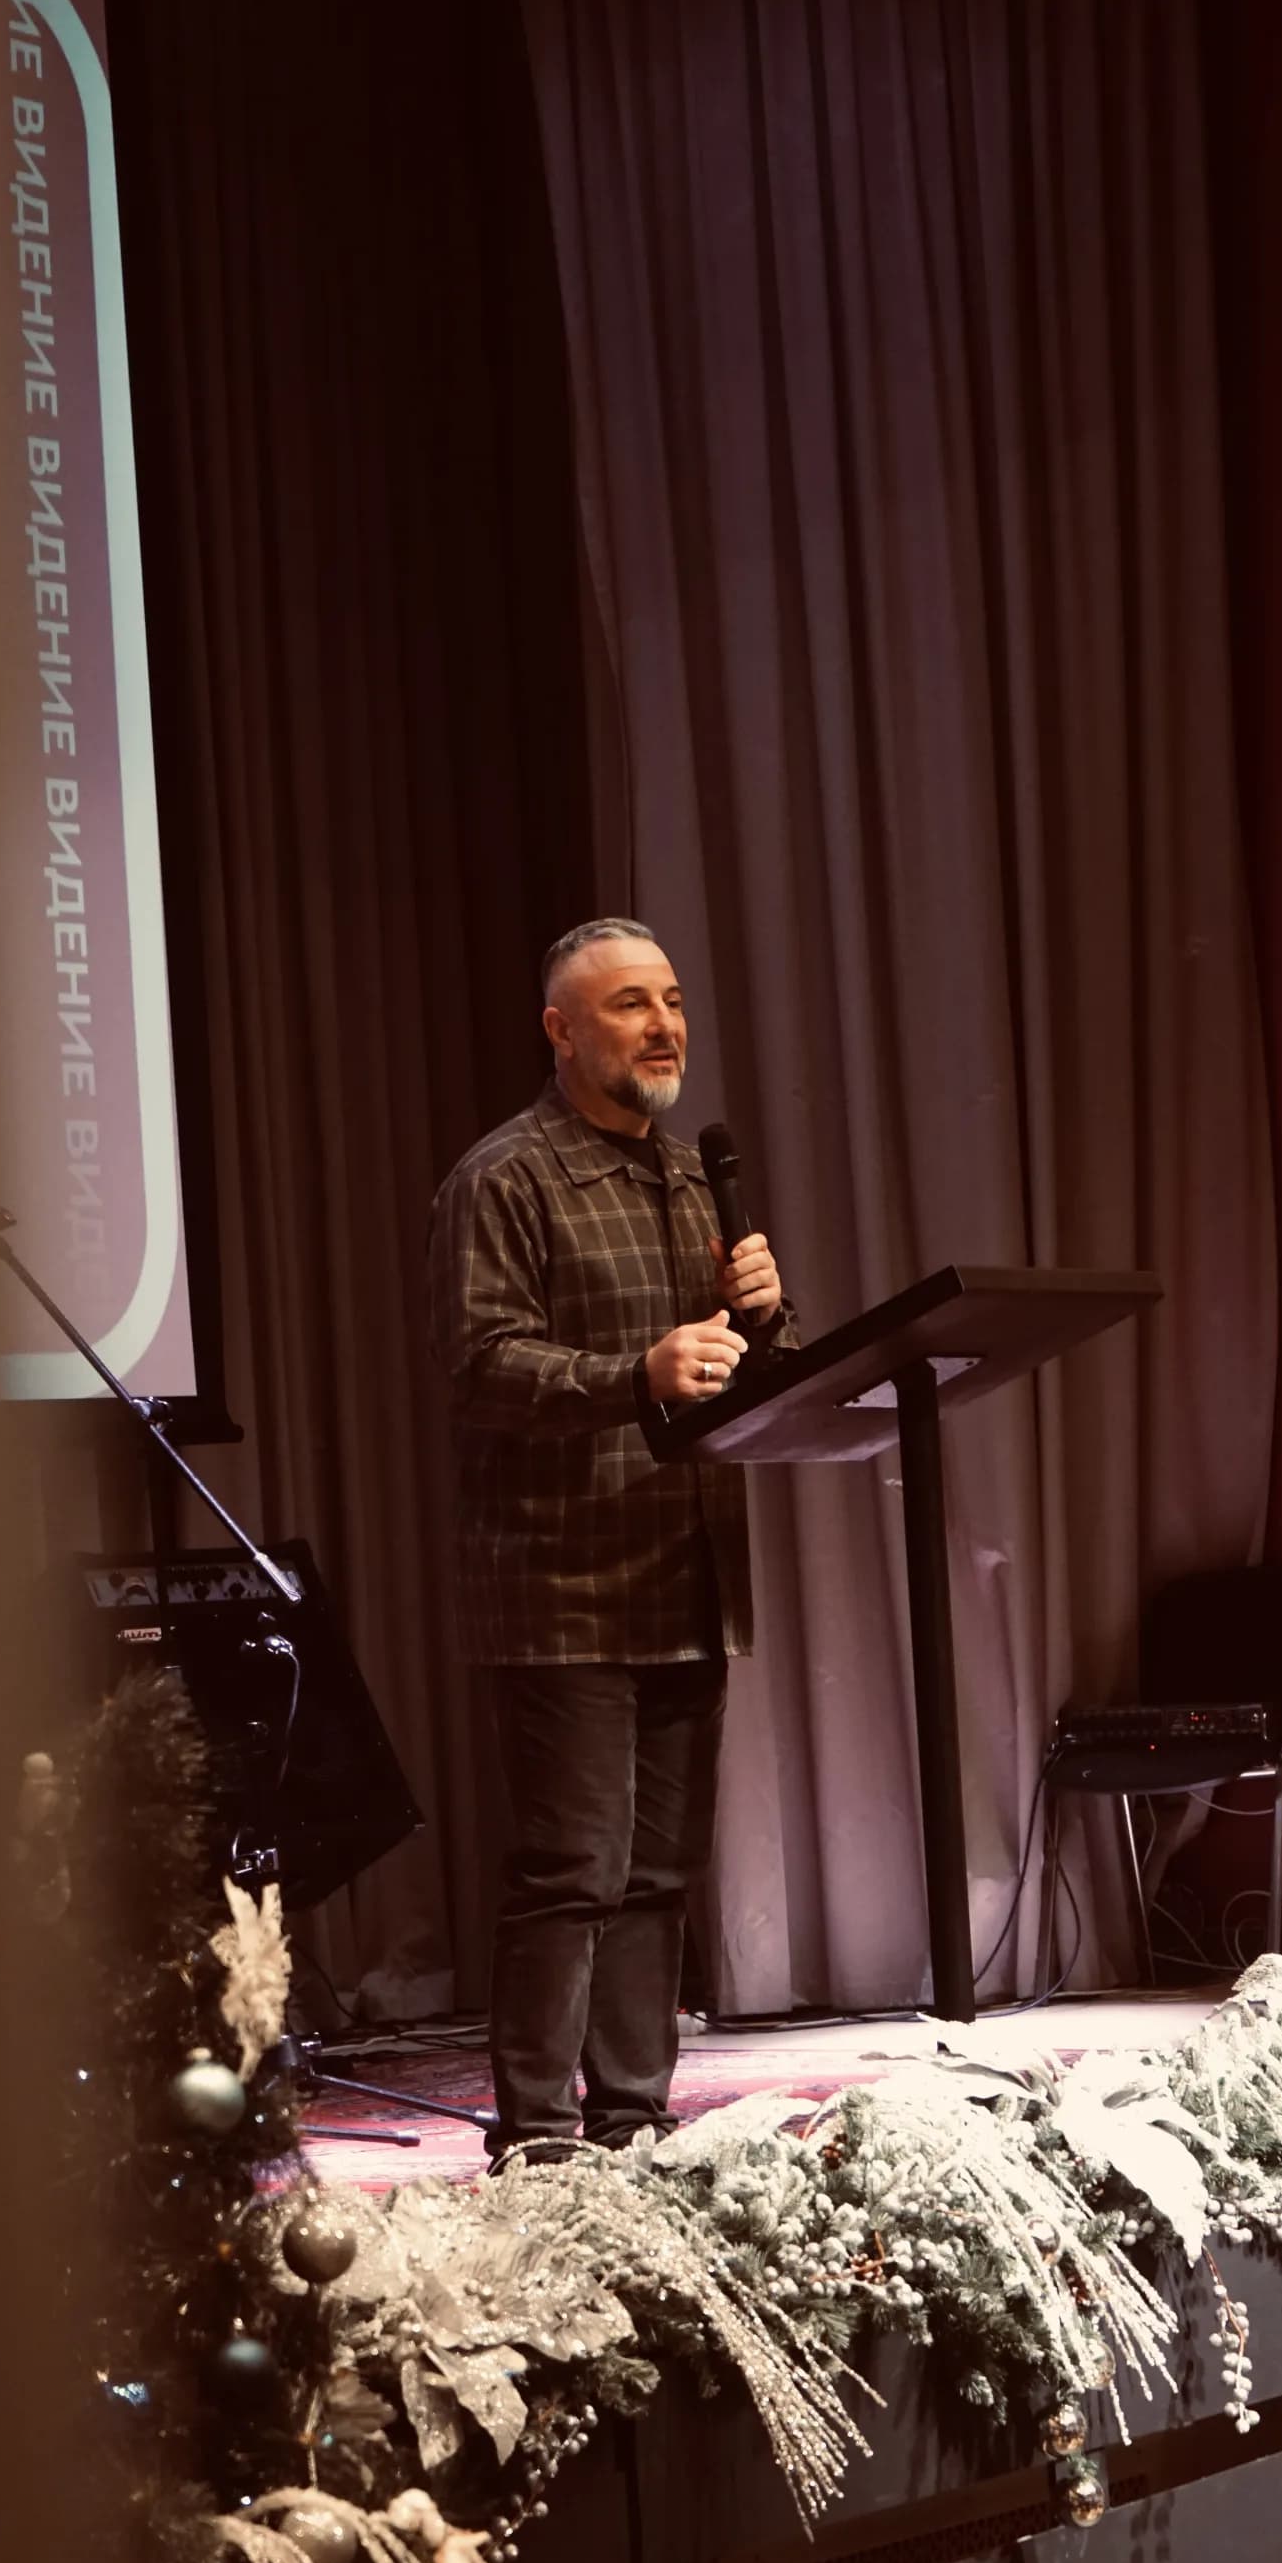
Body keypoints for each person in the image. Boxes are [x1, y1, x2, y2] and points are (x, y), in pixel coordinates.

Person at [428, 916, 794, 2167]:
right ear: (562, 1030)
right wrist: (633, 1376)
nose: (663, 1026)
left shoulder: (694, 1177)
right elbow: (480, 1367)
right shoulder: (506, 1178)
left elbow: (745, 1377)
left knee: (661, 1873)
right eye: (631, 1004)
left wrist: (769, 1320)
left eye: (673, 1001)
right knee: (572, 1870)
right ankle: (538, 2140)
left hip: (685, 1571)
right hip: (560, 1580)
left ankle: (633, 2124)